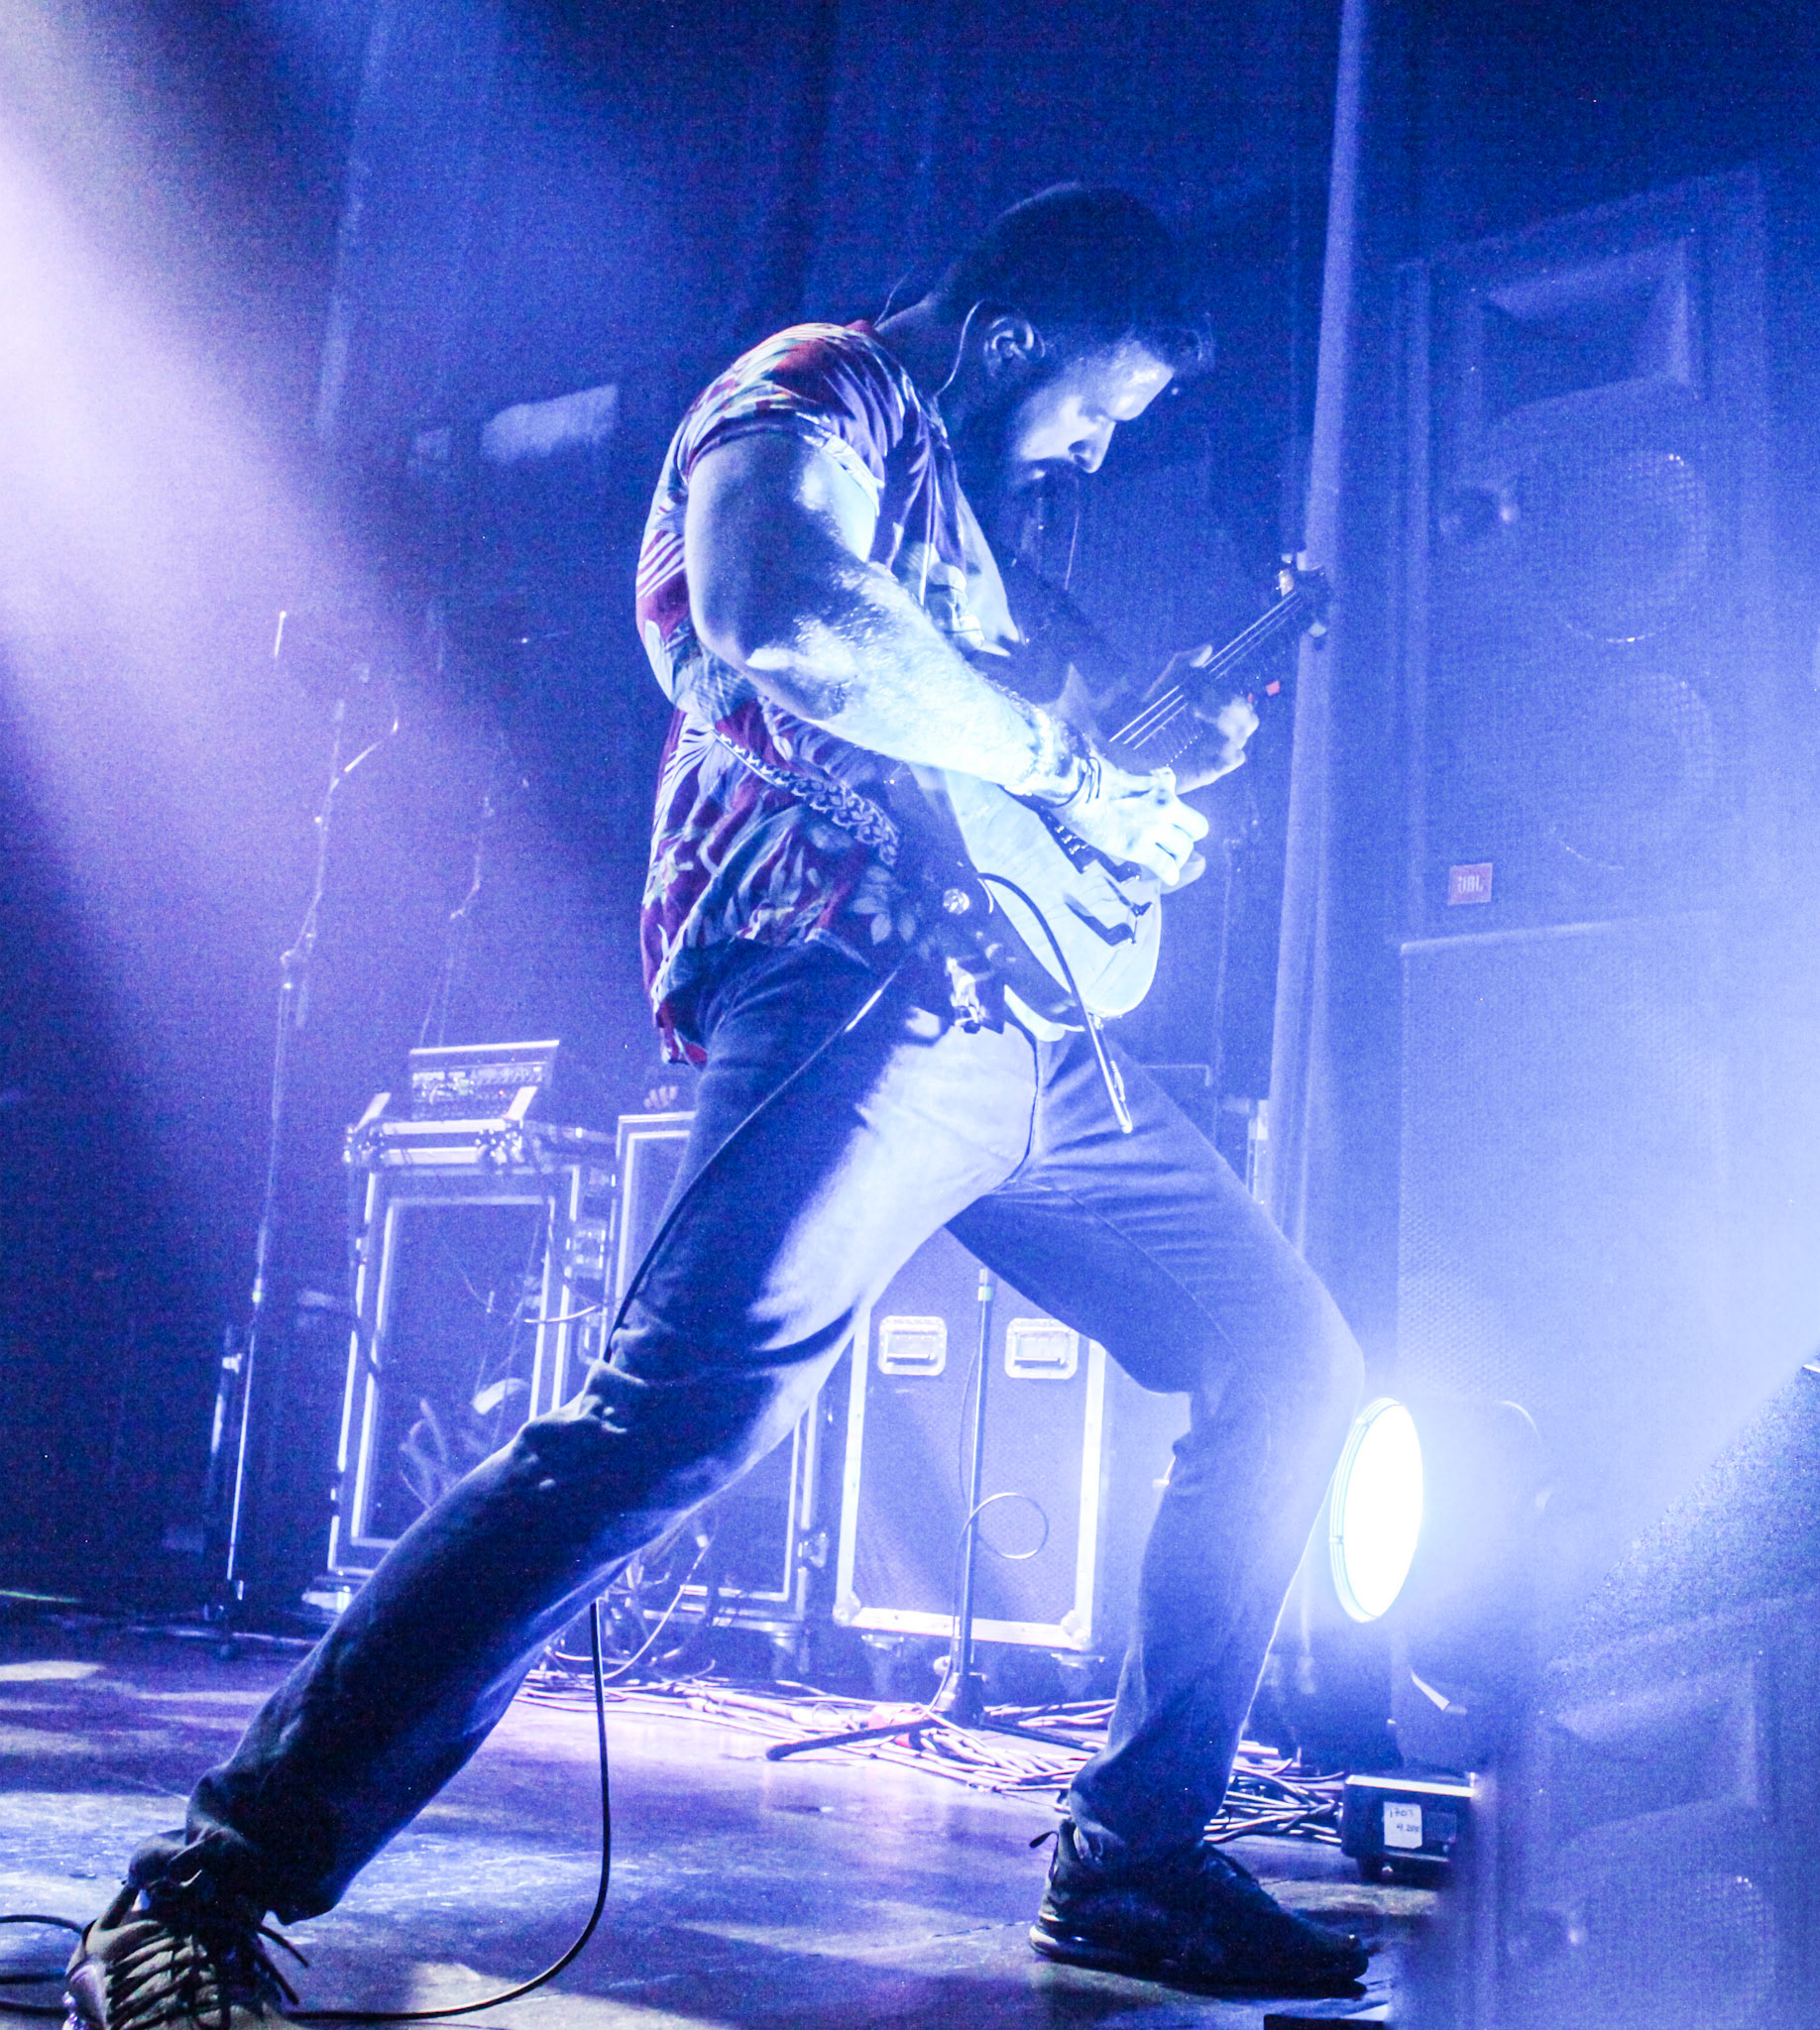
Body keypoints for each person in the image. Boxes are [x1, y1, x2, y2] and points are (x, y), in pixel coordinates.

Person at [64, 186, 1368, 2029]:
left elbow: (1008, 765)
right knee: (662, 1429)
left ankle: (1132, 1858)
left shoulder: (982, 534)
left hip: (1039, 1036)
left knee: (1293, 1365)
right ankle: (204, 1885)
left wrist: (1135, 809)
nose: (1100, 446)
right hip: (859, 981)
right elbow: (784, 614)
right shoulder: (815, 392)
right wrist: (1069, 766)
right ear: (1012, 336)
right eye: (1102, 402)